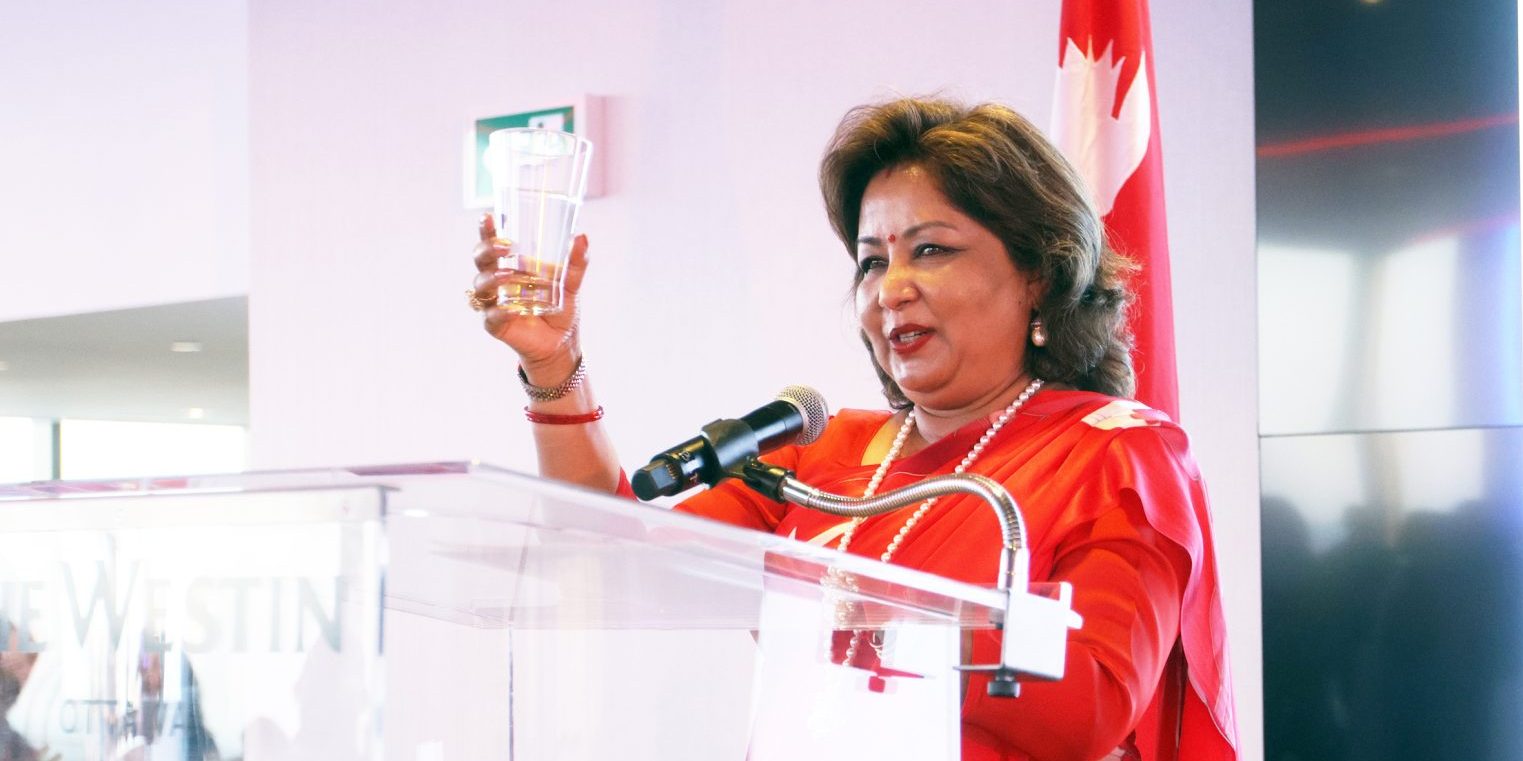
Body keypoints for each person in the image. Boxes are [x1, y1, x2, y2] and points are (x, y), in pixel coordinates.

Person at [469, 97, 1238, 761]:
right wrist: (553, 361)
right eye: (872, 261)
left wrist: (862, 616)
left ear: (1038, 271)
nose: (890, 289)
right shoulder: (820, 456)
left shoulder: (1118, 450)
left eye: (931, 249)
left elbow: (1094, 702)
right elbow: (610, 561)